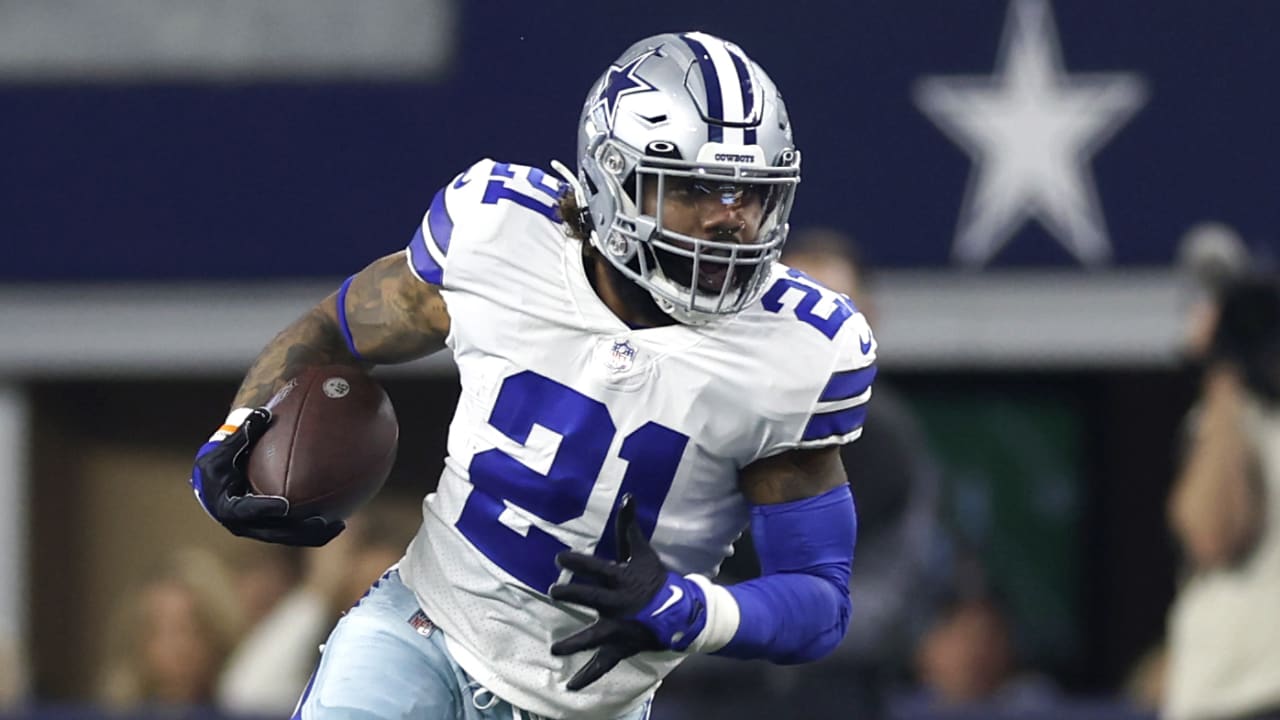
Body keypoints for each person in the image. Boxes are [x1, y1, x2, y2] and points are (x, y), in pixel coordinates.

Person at [190, 31, 875, 720]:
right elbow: (335, 329)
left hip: (586, 707)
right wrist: (240, 429)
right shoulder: (502, 237)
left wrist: (692, 610)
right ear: (614, 179)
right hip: (420, 632)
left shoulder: (794, 352)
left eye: (750, 194)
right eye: (696, 188)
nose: (731, 220)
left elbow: (820, 601)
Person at [1164, 268, 1280, 720]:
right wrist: (1225, 377)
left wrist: (1223, 373)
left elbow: (1213, 536)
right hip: (1234, 697)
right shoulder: (1235, 417)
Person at [97, 547, 245, 713]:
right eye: (158, 630)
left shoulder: (244, 707)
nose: (176, 648)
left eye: (189, 630)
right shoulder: (117, 711)